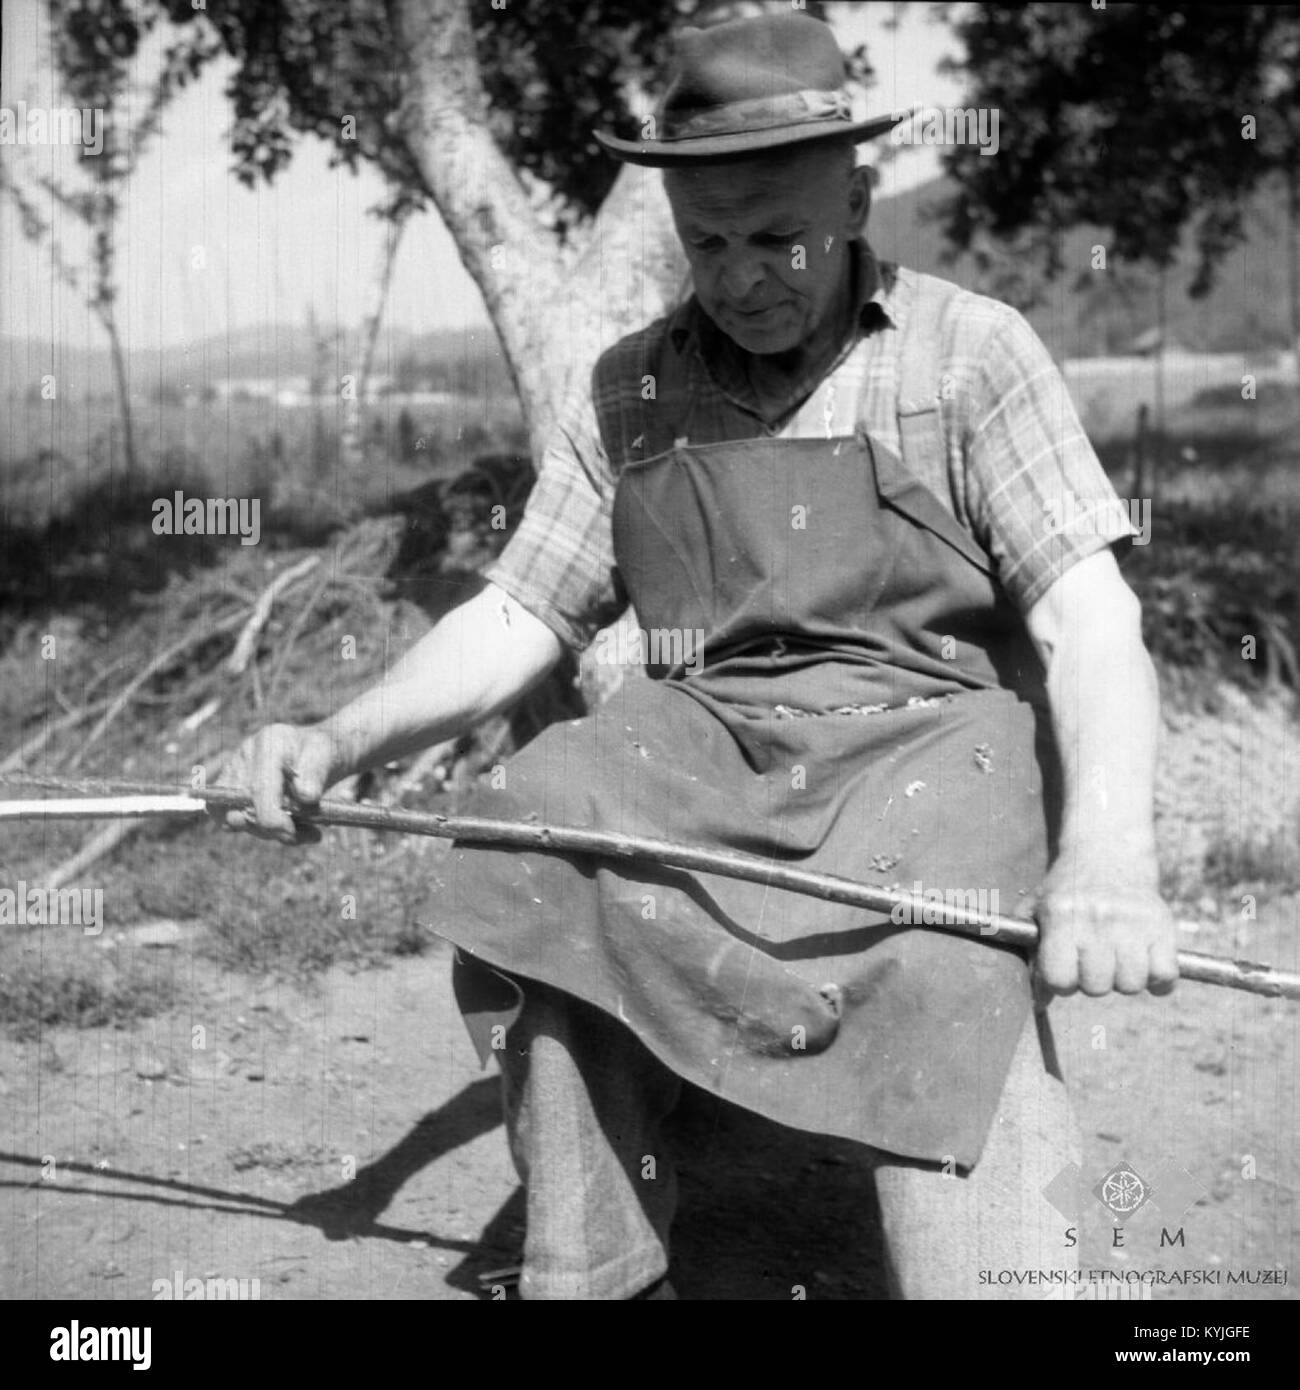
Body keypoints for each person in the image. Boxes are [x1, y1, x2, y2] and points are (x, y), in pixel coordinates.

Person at [217, 12, 1177, 1300]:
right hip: (715, 745)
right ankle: (596, 1267)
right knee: (540, 831)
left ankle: (1010, 1272)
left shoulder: (968, 353)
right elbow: (519, 613)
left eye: (777, 236)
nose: (740, 279)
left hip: (934, 739)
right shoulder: (632, 386)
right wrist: (336, 738)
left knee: (945, 946)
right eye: (705, 242)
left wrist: (1108, 859)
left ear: (855, 194)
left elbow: (1088, 620)